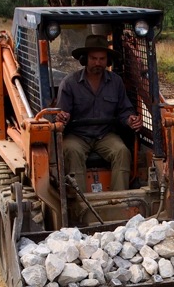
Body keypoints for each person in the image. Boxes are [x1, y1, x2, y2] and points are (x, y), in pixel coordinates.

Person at [53, 34, 142, 191]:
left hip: (105, 135)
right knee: (72, 152)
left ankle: (119, 200)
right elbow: (60, 114)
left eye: (102, 59)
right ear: (85, 59)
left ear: (107, 61)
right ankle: (80, 203)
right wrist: (62, 117)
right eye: (93, 58)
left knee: (122, 152)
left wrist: (130, 120)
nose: (98, 63)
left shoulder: (116, 82)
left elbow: (124, 110)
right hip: (77, 135)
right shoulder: (70, 83)